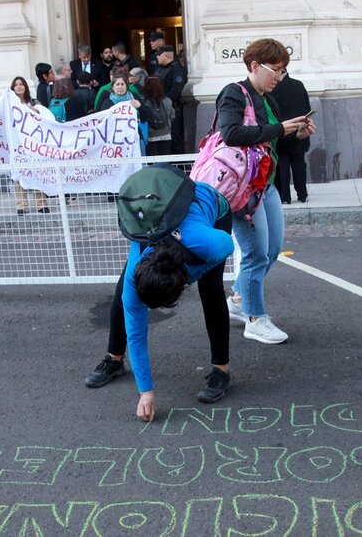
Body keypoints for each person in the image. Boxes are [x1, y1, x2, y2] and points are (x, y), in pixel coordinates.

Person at [84, 165, 235, 422]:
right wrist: (146, 392)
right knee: (123, 295)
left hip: (211, 210)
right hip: (156, 219)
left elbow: (228, 246)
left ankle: (221, 370)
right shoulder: (137, 269)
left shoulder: (205, 243)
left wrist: (191, 275)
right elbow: (137, 334)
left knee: (211, 290)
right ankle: (115, 359)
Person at [218, 38, 316, 344]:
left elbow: (275, 146)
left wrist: (296, 133)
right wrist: (280, 128)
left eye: (283, 71)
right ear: (254, 66)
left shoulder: (269, 100)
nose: (279, 77)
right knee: (255, 253)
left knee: (271, 251)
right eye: (275, 69)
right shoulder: (235, 93)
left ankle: (237, 301)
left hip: (266, 185)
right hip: (242, 188)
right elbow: (231, 133)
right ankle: (255, 319)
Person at [10, 76, 50, 215]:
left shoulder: (33, 102)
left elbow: (43, 116)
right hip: (17, 144)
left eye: (21, 84)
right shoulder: (9, 104)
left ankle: (41, 204)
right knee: (19, 173)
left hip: (33, 143)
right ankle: (21, 205)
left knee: (37, 172)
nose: (19, 87)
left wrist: (31, 110)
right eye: (16, 85)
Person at [271, 74, 311, 203]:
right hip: (299, 129)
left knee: (282, 167)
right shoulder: (298, 84)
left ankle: (285, 197)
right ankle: (302, 194)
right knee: (299, 164)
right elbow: (307, 107)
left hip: (282, 129)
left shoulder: (272, 86)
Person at [97, 74, 149, 154]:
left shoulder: (134, 98)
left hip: (135, 138)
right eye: (117, 84)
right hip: (115, 142)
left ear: (126, 86)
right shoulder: (107, 103)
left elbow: (145, 118)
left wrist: (139, 107)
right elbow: (102, 123)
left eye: (122, 84)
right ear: (113, 88)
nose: (120, 87)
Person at [155, 45, 187, 153]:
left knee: (175, 137)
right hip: (160, 108)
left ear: (166, 56)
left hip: (172, 108)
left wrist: (165, 102)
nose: (157, 58)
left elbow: (176, 90)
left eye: (159, 55)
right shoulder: (161, 69)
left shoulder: (176, 69)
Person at [142, 77, 173, 156]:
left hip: (150, 134)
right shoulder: (167, 100)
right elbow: (172, 116)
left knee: (152, 158)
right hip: (166, 132)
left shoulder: (143, 101)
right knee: (165, 157)